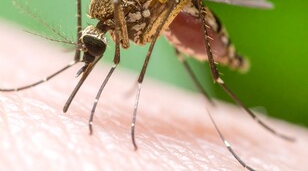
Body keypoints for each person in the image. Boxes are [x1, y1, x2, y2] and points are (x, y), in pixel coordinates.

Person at [0, 21, 307, 171]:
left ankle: (220, 82)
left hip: (191, 15)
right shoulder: (104, 17)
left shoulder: (122, 19)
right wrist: (78, 55)